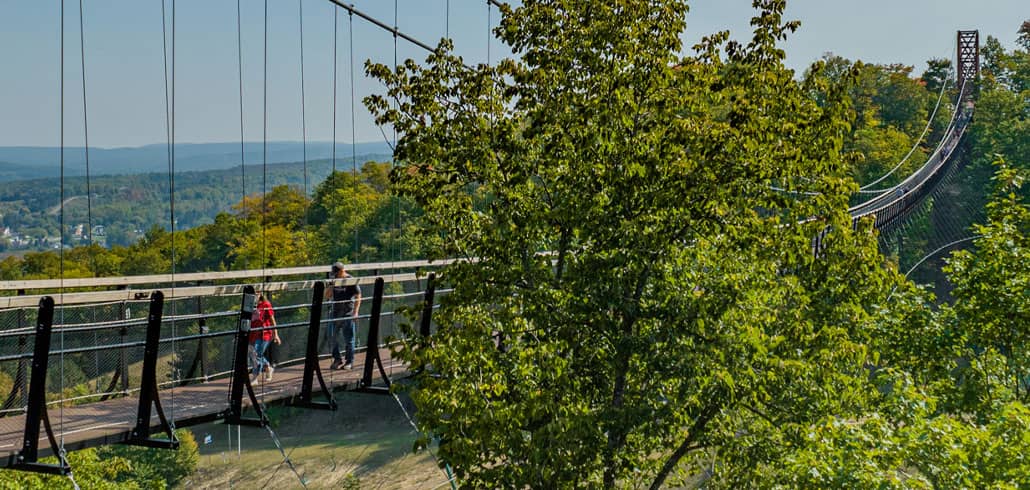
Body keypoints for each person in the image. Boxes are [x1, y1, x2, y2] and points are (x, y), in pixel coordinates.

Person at [325, 262, 361, 370]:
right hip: (335, 312)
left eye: (336, 273)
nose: (334, 275)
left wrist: (355, 312)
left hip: (347, 312)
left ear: (342, 271)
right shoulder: (333, 280)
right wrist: (331, 285)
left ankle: (349, 362)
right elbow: (327, 296)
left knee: (348, 338)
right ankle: (337, 359)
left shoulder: (350, 280)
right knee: (331, 335)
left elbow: (358, 296)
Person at [249, 294, 280, 382]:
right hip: (253, 334)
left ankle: (255, 377)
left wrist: (276, 334)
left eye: (256, 293)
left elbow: (272, 320)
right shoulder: (249, 305)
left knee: (256, 354)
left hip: (265, 333)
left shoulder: (266, 304)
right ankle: (268, 368)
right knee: (256, 354)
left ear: (260, 294)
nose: (254, 296)